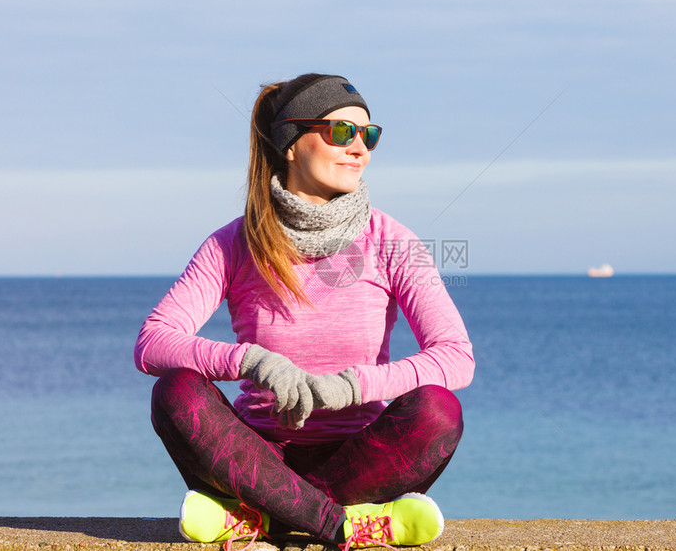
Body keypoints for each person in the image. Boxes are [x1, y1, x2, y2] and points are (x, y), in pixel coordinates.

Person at [134, 73, 475, 551]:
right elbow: (153, 342)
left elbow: (455, 357)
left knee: (439, 410)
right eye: (341, 132)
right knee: (176, 391)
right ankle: (344, 525)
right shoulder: (233, 243)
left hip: (362, 459)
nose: (360, 147)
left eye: (369, 135)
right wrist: (253, 362)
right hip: (255, 457)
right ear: (291, 143)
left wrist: (351, 386)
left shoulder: (395, 241)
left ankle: (263, 518)